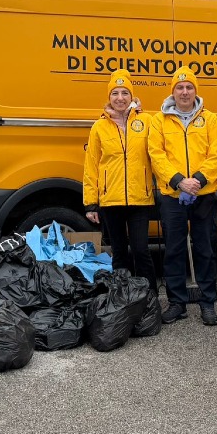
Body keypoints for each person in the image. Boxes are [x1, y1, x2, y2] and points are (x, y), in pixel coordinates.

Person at [147, 66, 217, 325]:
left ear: (195, 91)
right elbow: (156, 154)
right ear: (173, 91)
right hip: (172, 195)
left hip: (204, 194)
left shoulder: (210, 119)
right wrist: (179, 181)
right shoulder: (159, 120)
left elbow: (216, 155)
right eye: (180, 87)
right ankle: (177, 302)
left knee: (206, 250)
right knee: (174, 251)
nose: (185, 91)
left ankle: (207, 302)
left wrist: (198, 180)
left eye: (189, 87)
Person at [83, 70, 158, 296]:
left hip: (140, 198)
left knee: (141, 250)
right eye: (115, 93)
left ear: (131, 96)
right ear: (109, 97)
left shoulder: (146, 121)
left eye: (125, 92)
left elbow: (158, 156)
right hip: (110, 199)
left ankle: (149, 297)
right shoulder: (99, 127)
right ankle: (121, 299)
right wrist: (90, 203)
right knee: (119, 252)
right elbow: (91, 165)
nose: (120, 97)